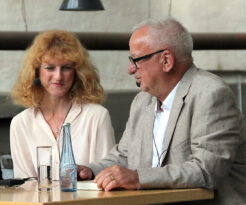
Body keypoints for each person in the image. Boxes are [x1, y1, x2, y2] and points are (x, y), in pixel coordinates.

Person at [78, 18, 246, 204]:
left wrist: (138, 177)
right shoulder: (143, 101)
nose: (130, 69)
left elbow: (206, 170)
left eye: (136, 60)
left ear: (166, 60)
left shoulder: (211, 94)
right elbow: (124, 156)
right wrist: (89, 171)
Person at [10, 30, 116, 180]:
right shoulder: (21, 123)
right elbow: (24, 185)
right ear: (36, 72)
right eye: (50, 68)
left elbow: (107, 175)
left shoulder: (96, 116)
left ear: (77, 72)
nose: (58, 76)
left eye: (66, 67)